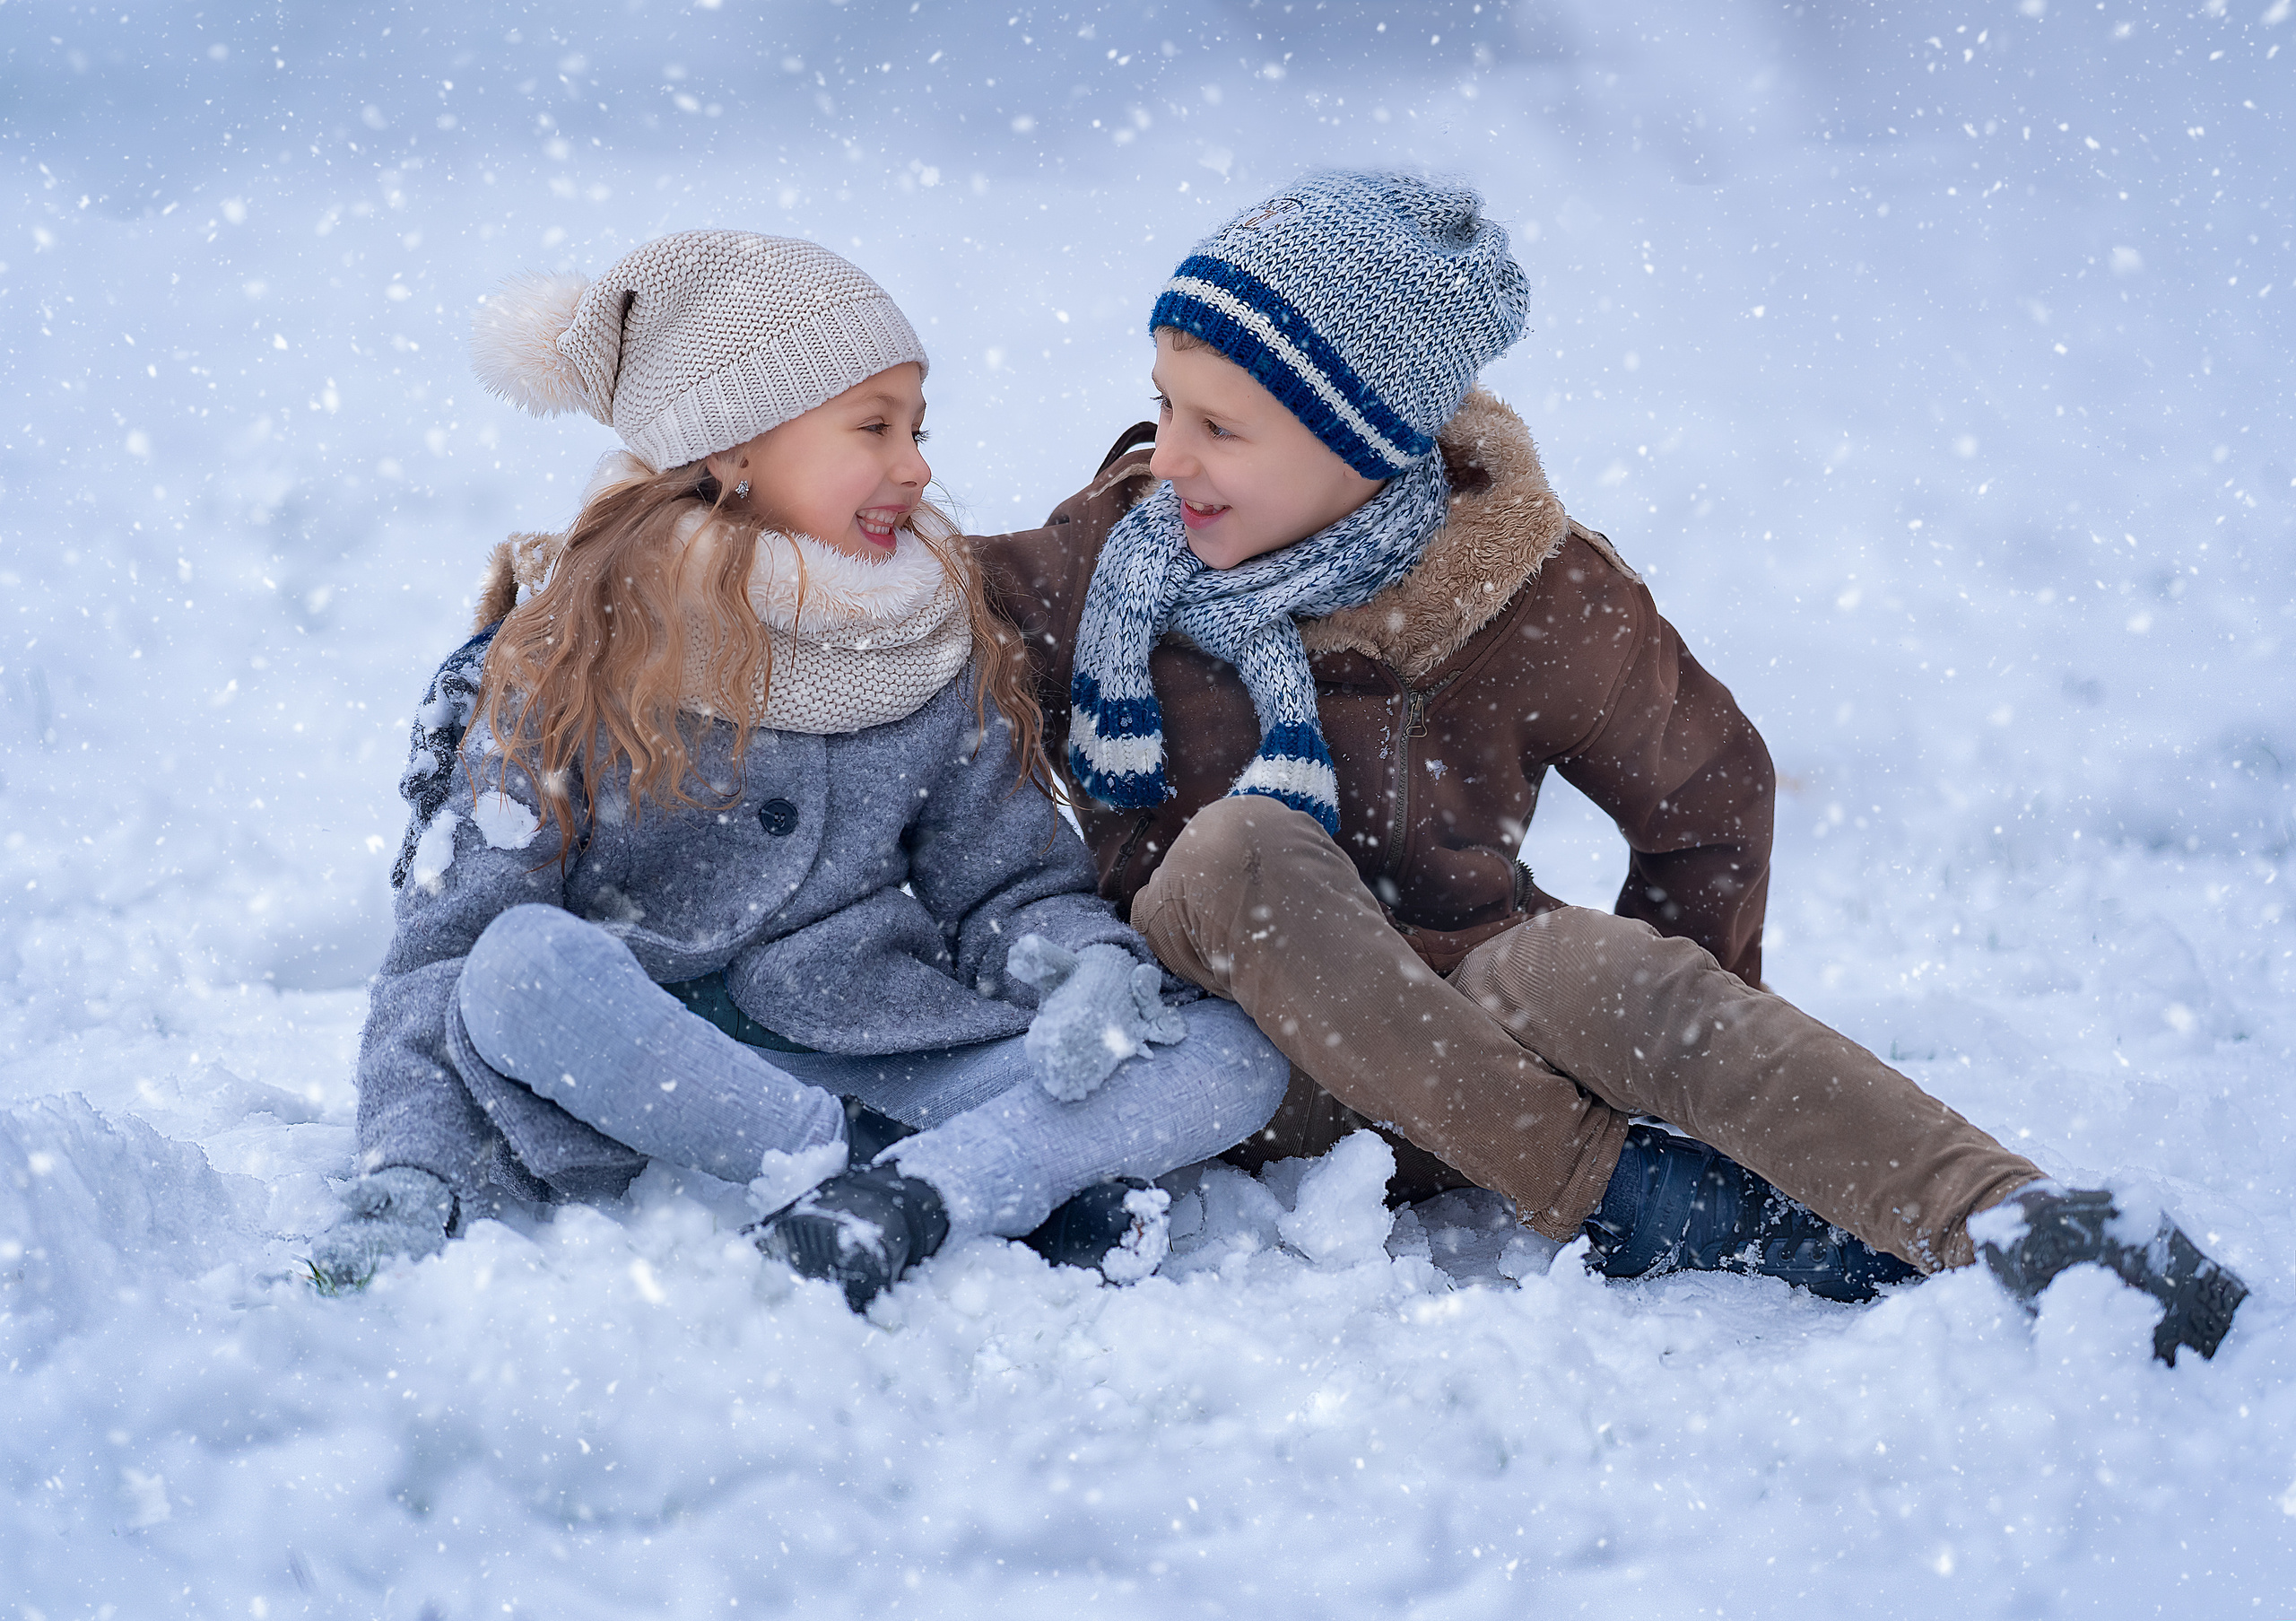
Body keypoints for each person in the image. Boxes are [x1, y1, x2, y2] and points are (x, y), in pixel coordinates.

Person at [978, 171, 2247, 1363]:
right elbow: (893, 634)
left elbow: (1710, 788)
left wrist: (1654, 1019)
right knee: (1246, 847)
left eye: (1221, 426)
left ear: (1361, 435)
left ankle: (2018, 1226)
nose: (1171, 454)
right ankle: (1624, 1191)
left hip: (1456, 1065)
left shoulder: (1526, 592)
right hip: (1224, 1063)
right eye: (1165, 406)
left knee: (1602, 965)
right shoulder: (1113, 564)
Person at [311, 231, 1288, 1312]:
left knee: (1232, 1053)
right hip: (634, 1068)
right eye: (872, 427)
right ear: (732, 448)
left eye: (917, 428)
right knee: (518, 964)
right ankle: (865, 1165)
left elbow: (1007, 889)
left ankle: (917, 1193)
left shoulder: (926, 634)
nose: (914, 467)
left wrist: (1079, 969)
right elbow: (443, 952)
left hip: (885, 1056)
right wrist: (411, 1167)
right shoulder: (561, 653)